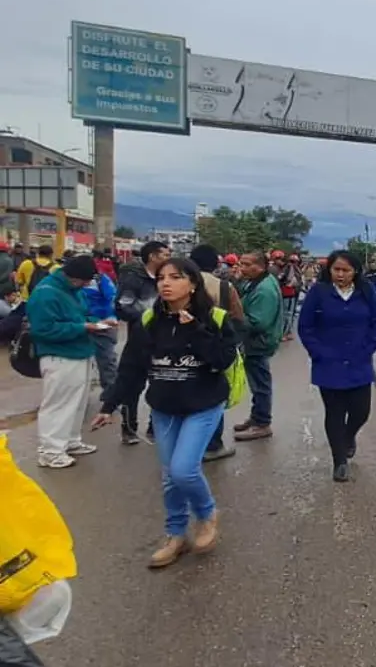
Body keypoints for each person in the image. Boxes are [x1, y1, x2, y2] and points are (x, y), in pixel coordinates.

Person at [91, 258, 240, 568]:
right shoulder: (149, 321)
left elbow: (223, 360)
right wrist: (110, 405)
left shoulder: (215, 318)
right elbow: (132, 368)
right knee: (170, 477)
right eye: (161, 278)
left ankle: (207, 513)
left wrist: (196, 330)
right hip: (164, 407)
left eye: (175, 277)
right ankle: (175, 535)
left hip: (203, 405)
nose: (165, 283)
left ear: (194, 284)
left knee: (183, 469)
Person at [298, 251, 376, 482]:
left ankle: (348, 436)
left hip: (359, 361)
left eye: (346, 270)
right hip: (328, 363)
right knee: (334, 412)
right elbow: (305, 326)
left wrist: (368, 348)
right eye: (336, 269)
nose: (340, 274)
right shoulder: (319, 292)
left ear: (355, 271)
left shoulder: (366, 292)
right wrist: (318, 352)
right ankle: (339, 461)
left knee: (361, 411)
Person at [27, 255, 105, 469]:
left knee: (77, 403)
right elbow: (43, 330)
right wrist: (83, 328)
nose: (88, 284)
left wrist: (96, 323)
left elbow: (82, 316)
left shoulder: (74, 290)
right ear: (73, 277)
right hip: (59, 355)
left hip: (80, 352)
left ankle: (70, 441)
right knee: (58, 404)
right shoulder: (46, 294)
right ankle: (50, 451)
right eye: (85, 280)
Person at [190, 244, 245, 462]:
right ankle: (213, 445)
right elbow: (238, 319)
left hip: (181, 351)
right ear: (216, 264)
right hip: (214, 350)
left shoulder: (178, 283)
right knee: (214, 398)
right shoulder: (224, 287)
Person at [114, 240, 170, 444]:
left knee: (162, 385)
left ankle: (155, 428)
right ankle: (129, 429)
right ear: (153, 256)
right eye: (164, 254)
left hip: (164, 342)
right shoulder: (133, 278)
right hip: (139, 341)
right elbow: (122, 307)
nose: (168, 257)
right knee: (132, 386)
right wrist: (149, 317)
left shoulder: (166, 278)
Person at [232, 252, 283, 442]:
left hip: (259, 341)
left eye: (245, 264)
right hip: (255, 340)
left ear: (259, 266)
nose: (241, 267)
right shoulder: (258, 281)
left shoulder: (264, 289)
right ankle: (256, 417)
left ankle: (262, 423)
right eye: (240, 263)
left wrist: (234, 319)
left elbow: (258, 322)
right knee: (257, 381)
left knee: (260, 383)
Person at [79, 265, 119, 393]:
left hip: (103, 325)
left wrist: (111, 318)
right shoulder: (71, 283)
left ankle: (111, 395)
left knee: (107, 360)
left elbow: (112, 299)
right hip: (80, 324)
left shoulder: (100, 280)